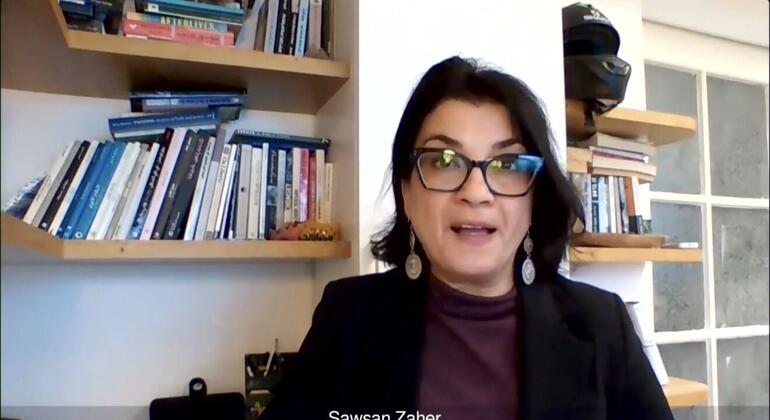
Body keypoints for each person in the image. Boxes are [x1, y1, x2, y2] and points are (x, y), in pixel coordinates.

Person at [259, 56, 673, 420]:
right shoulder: (347, 317)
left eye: (507, 164)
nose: (476, 192)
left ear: (534, 196)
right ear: (407, 191)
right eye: (443, 160)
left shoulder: (602, 326)